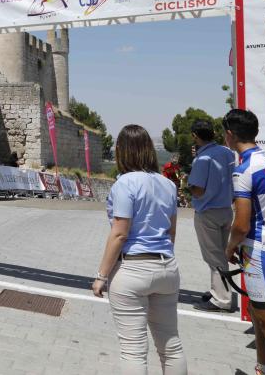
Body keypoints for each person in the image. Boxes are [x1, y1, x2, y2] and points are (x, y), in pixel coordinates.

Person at [92, 124, 186, 374]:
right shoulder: (168, 185)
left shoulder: (124, 184)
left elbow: (120, 233)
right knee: (171, 344)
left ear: (122, 150)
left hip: (132, 268)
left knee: (133, 350)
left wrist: (101, 276)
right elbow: (171, 231)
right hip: (166, 265)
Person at [223, 109, 265, 375]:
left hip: (259, 252)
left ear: (230, 135)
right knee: (258, 314)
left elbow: (241, 224)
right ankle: (263, 369)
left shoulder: (243, 169)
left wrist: (229, 247)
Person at [187, 119, 235, 312]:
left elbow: (197, 190)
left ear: (194, 136)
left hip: (207, 212)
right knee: (221, 254)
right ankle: (220, 290)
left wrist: (188, 187)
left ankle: (221, 299)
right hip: (226, 209)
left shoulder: (202, 159)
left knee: (214, 257)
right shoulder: (226, 152)